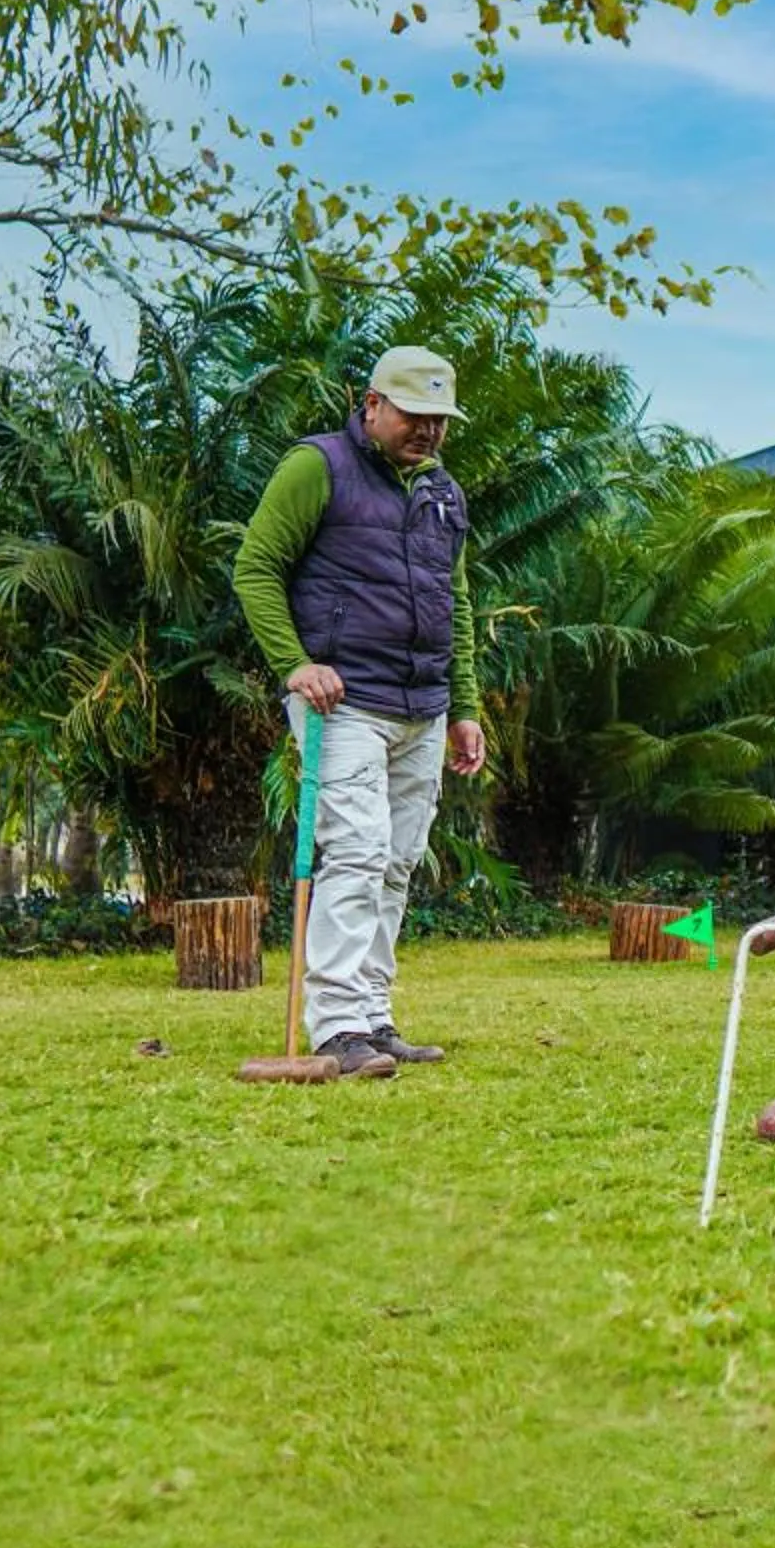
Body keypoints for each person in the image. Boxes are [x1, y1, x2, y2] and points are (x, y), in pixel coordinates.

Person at [231, 347, 488, 1079]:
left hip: (424, 706)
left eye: (440, 420)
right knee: (356, 852)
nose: (429, 432)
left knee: (399, 861)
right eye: (415, 415)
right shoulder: (317, 468)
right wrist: (295, 663)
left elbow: (456, 602)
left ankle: (373, 1016)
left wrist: (465, 706)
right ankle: (337, 1026)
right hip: (342, 703)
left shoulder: (444, 494)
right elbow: (256, 567)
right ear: (372, 405)